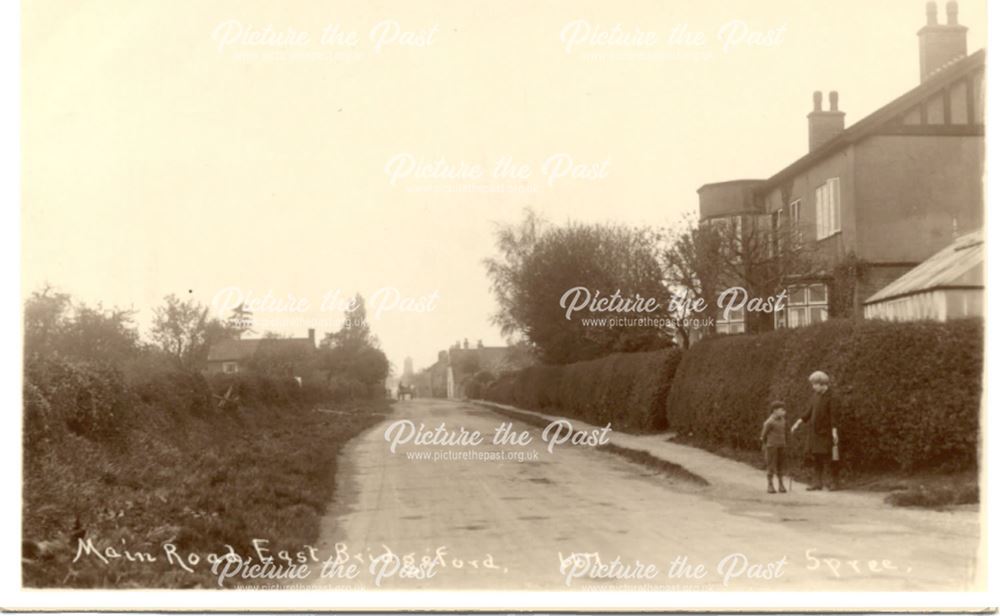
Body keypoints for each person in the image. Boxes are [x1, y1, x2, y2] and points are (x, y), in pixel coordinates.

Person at [791, 370, 840, 491]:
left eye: (815, 384)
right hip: (815, 433)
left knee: (830, 458)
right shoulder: (815, 396)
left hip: (826, 433)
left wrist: (834, 431)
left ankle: (833, 482)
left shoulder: (832, 396)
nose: (813, 387)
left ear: (822, 383)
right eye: (812, 384)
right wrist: (798, 422)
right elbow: (809, 412)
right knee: (817, 457)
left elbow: (834, 415)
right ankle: (817, 483)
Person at [760, 400, 788, 494]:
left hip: (781, 445)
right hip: (771, 446)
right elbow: (763, 436)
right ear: (775, 410)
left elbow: (784, 433)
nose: (784, 412)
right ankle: (770, 485)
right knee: (771, 465)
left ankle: (781, 484)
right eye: (781, 410)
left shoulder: (783, 420)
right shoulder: (769, 422)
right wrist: (765, 445)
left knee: (781, 465)